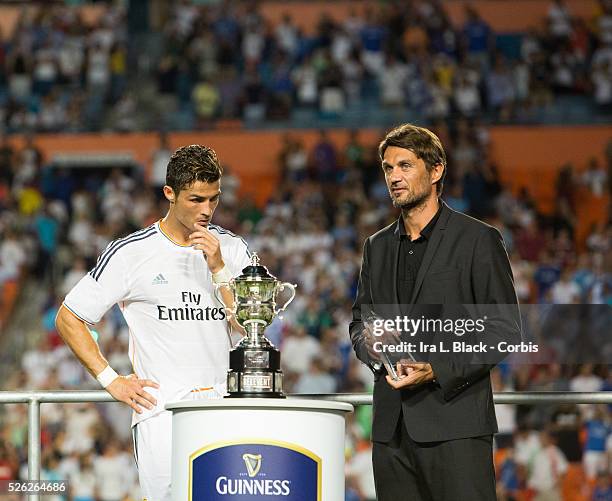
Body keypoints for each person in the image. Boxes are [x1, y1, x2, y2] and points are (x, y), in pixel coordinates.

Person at [55, 144, 251, 501]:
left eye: (214, 199)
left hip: (226, 405)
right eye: (196, 200)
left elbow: (249, 326)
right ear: (169, 194)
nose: (207, 210)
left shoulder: (232, 249)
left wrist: (219, 269)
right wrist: (110, 380)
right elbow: (69, 317)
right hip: (161, 414)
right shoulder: (131, 253)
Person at [349, 123, 521, 500]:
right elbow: (360, 323)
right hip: (391, 433)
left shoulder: (478, 239)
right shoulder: (375, 247)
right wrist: (371, 345)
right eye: (388, 168)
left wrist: (437, 369)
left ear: (436, 170)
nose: (394, 177)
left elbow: (504, 329)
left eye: (405, 166)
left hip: (456, 426)